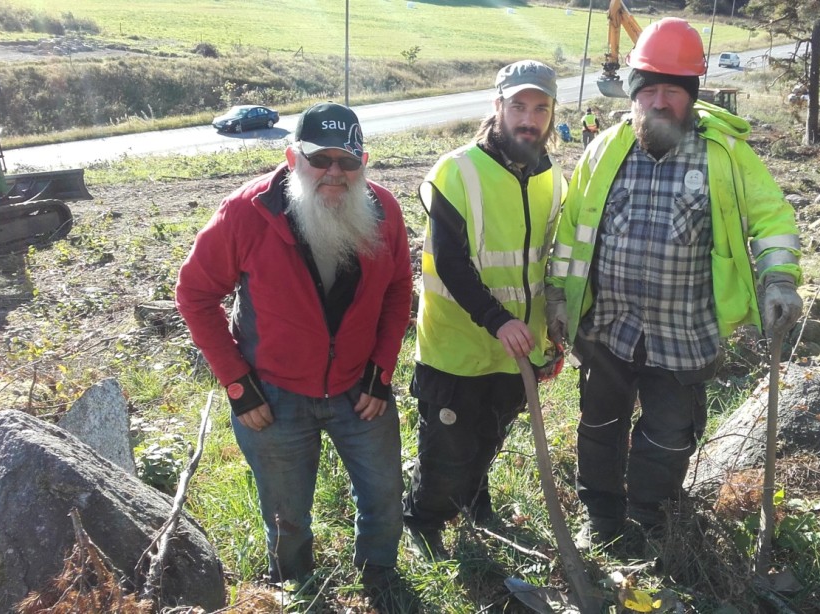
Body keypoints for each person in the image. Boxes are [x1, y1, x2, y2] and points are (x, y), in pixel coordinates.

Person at [545, 18, 803, 549]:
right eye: (650, 91)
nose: (660, 102)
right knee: (598, 428)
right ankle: (601, 518)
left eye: (673, 91)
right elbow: (572, 229)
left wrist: (777, 278)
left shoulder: (725, 156)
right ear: (634, 94)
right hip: (609, 328)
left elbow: (773, 220)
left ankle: (648, 520)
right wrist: (557, 292)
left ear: (691, 96)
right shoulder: (605, 151)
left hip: (684, 334)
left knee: (668, 438)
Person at [175, 103, 413, 594]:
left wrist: (381, 371)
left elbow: (397, 290)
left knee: (385, 497)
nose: (333, 171)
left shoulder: (384, 210)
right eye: (319, 158)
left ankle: (381, 579)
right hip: (273, 397)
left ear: (362, 162)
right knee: (286, 516)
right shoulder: (247, 211)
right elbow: (194, 293)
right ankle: (296, 589)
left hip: (359, 391)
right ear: (291, 157)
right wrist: (239, 385)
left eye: (347, 161)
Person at [402, 60, 567, 560]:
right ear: (497, 107)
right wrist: (498, 321)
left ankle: (475, 500)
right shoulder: (457, 170)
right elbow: (451, 263)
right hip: (458, 347)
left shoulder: (552, 178)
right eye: (518, 105)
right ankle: (423, 521)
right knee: (447, 449)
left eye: (540, 108)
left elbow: (550, 261)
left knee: (490, 436)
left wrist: (552, 337)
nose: (528, 119)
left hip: (517, 349)